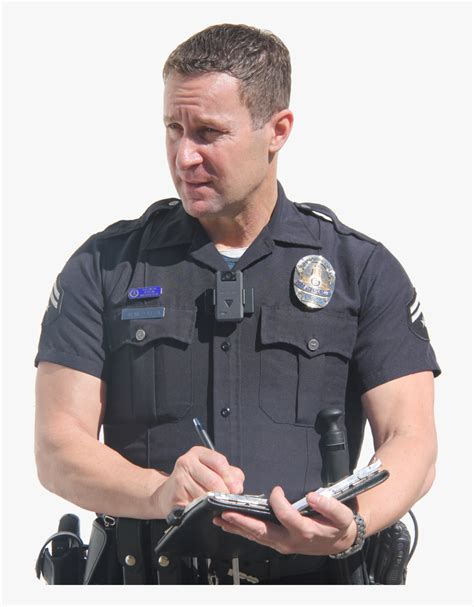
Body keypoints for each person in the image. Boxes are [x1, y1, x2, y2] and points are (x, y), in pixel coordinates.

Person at [34, 23, 440, 584]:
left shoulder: (361, 269)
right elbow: (57, 447)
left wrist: (353, 525)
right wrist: (159, 493)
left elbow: (412, 441)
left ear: (278, 130)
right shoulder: (104, 266)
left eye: (209, 132)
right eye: (173, 129)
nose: (184, 155)